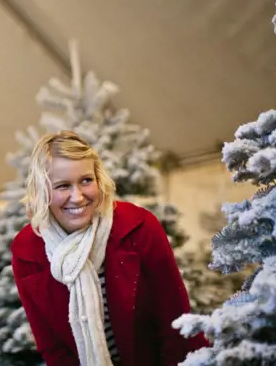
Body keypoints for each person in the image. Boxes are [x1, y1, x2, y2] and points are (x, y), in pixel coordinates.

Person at [11, 130, 209, 366]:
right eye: (63, 186)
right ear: (42, 190)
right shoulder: (27, 252)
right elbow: (53, 347)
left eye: (86, 180)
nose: (78, 197)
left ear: (99, 179)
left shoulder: (138, 227)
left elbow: (176, 323)